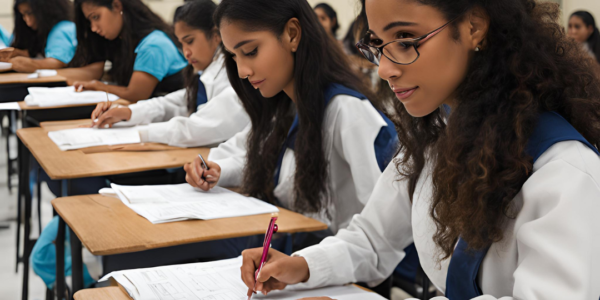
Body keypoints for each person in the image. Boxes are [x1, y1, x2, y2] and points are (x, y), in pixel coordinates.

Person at [237, 0, 600, 299]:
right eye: (378, 45)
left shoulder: (566, 174)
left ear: (474, 27)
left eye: (406, 41)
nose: (385, 69)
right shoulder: (437, 134)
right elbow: (373, 237)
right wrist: (301, 266)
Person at [185, 0, 398, 245]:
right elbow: (251, 155)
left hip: (338, 267)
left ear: (292, 35)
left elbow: (381, 231)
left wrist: (311, 266)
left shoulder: (346, 111)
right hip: (294, 253)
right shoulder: (283, 104)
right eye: (234, 57)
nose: (242, 70)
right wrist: (216, 170)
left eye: (251, 51)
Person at [88, 0, 249, 147]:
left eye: (190, 41)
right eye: (182, 43)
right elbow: (175, 103)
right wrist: (130, 112)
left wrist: (139, 132)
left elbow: (198, 127)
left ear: (216, 36)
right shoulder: (206, 72)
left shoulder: (231, 77)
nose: (186, 52)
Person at [67, 0, 187, 101]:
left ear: (117, 6)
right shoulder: (124, 42)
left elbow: (136, 95)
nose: (93, 28)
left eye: (95, 17)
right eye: (90, 22)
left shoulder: (153, 45)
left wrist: (98, 86)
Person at [0, 0, 76, 73]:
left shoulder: (62, 29)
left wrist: (23, 63)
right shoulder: (42, 30)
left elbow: (57, 63)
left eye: (29, 13)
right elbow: (41, 53)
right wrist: (19, 53)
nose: (28, 22)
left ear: (46, 9)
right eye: (23, 15)